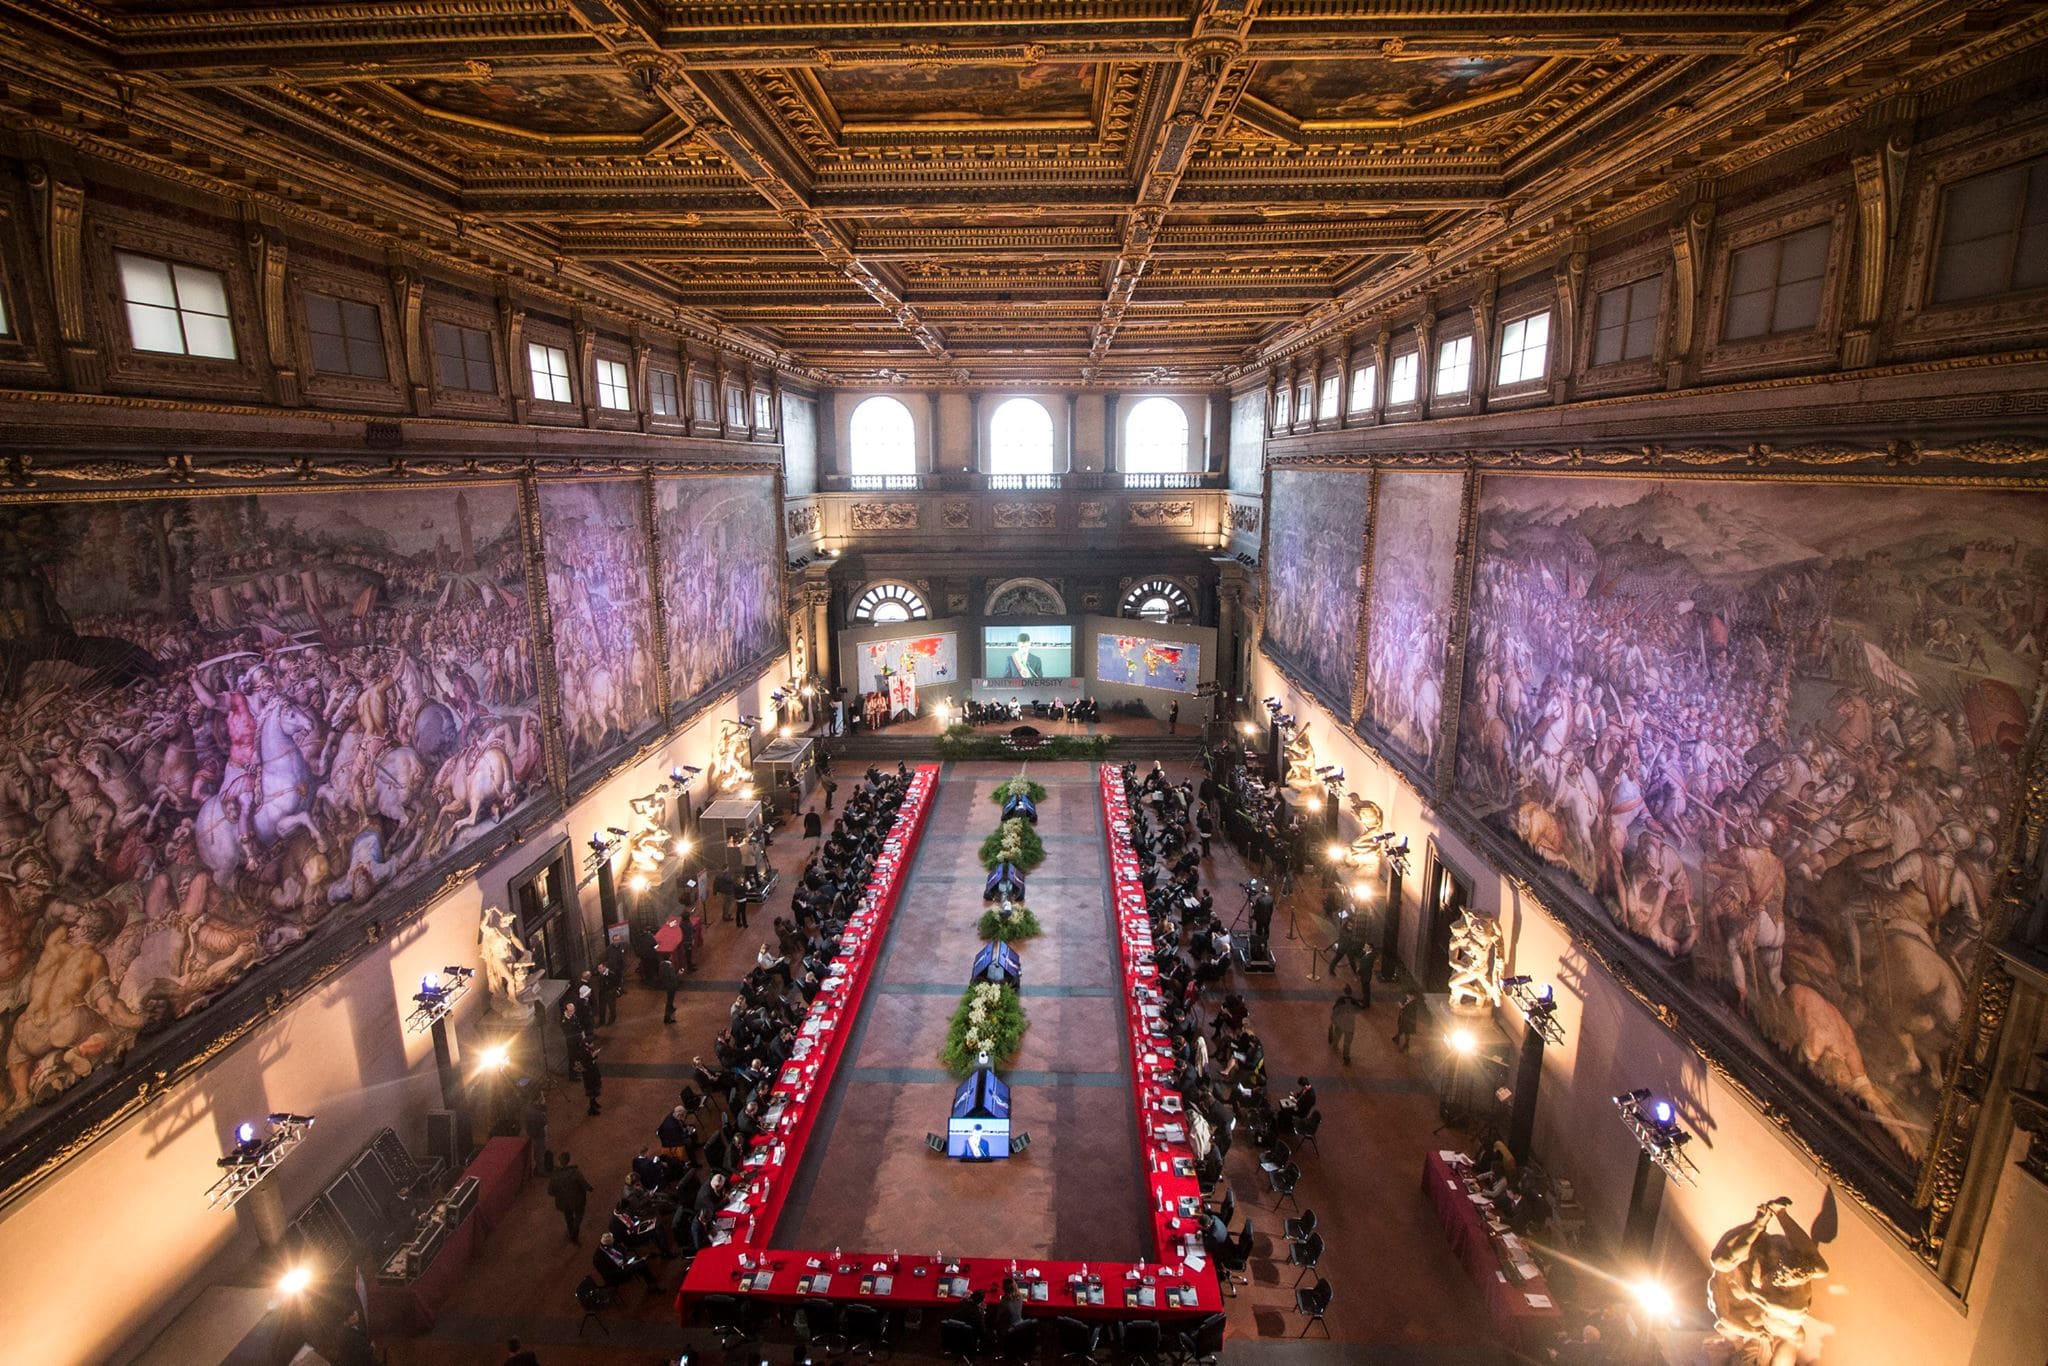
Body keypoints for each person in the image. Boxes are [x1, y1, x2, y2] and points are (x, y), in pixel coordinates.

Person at [549, 1152, 594, 1244]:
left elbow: (550, 1191)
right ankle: (574, 1232)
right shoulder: (575, 1172)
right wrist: (589, 1188)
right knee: (579, 1215)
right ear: (568, 1160)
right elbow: (584, 1183)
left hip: (563, 1202)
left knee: (568, 1217)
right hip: (577, 1200)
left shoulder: (555, 1175)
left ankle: (571, 1232)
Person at [1329, 988, 1361, 1065]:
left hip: (1340, 1024)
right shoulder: (1354, 1002)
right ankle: (1346, 1055)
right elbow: (1358, 1011)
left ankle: (1334, 1046)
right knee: (1347, 1042)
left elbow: (1335, 1011)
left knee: (1337, 1035)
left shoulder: (1340, 1001)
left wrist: (1333, 1020)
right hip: (1350, 1025)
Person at [659, 953, 680, 1025]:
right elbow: (673, 977)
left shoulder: (661, 964)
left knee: (670, 999)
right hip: (671, 985)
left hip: (666, 984)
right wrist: (679, 974)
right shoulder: (669, 966)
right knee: (669, 1000)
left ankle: (671, 1008)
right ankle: (667, 1018)